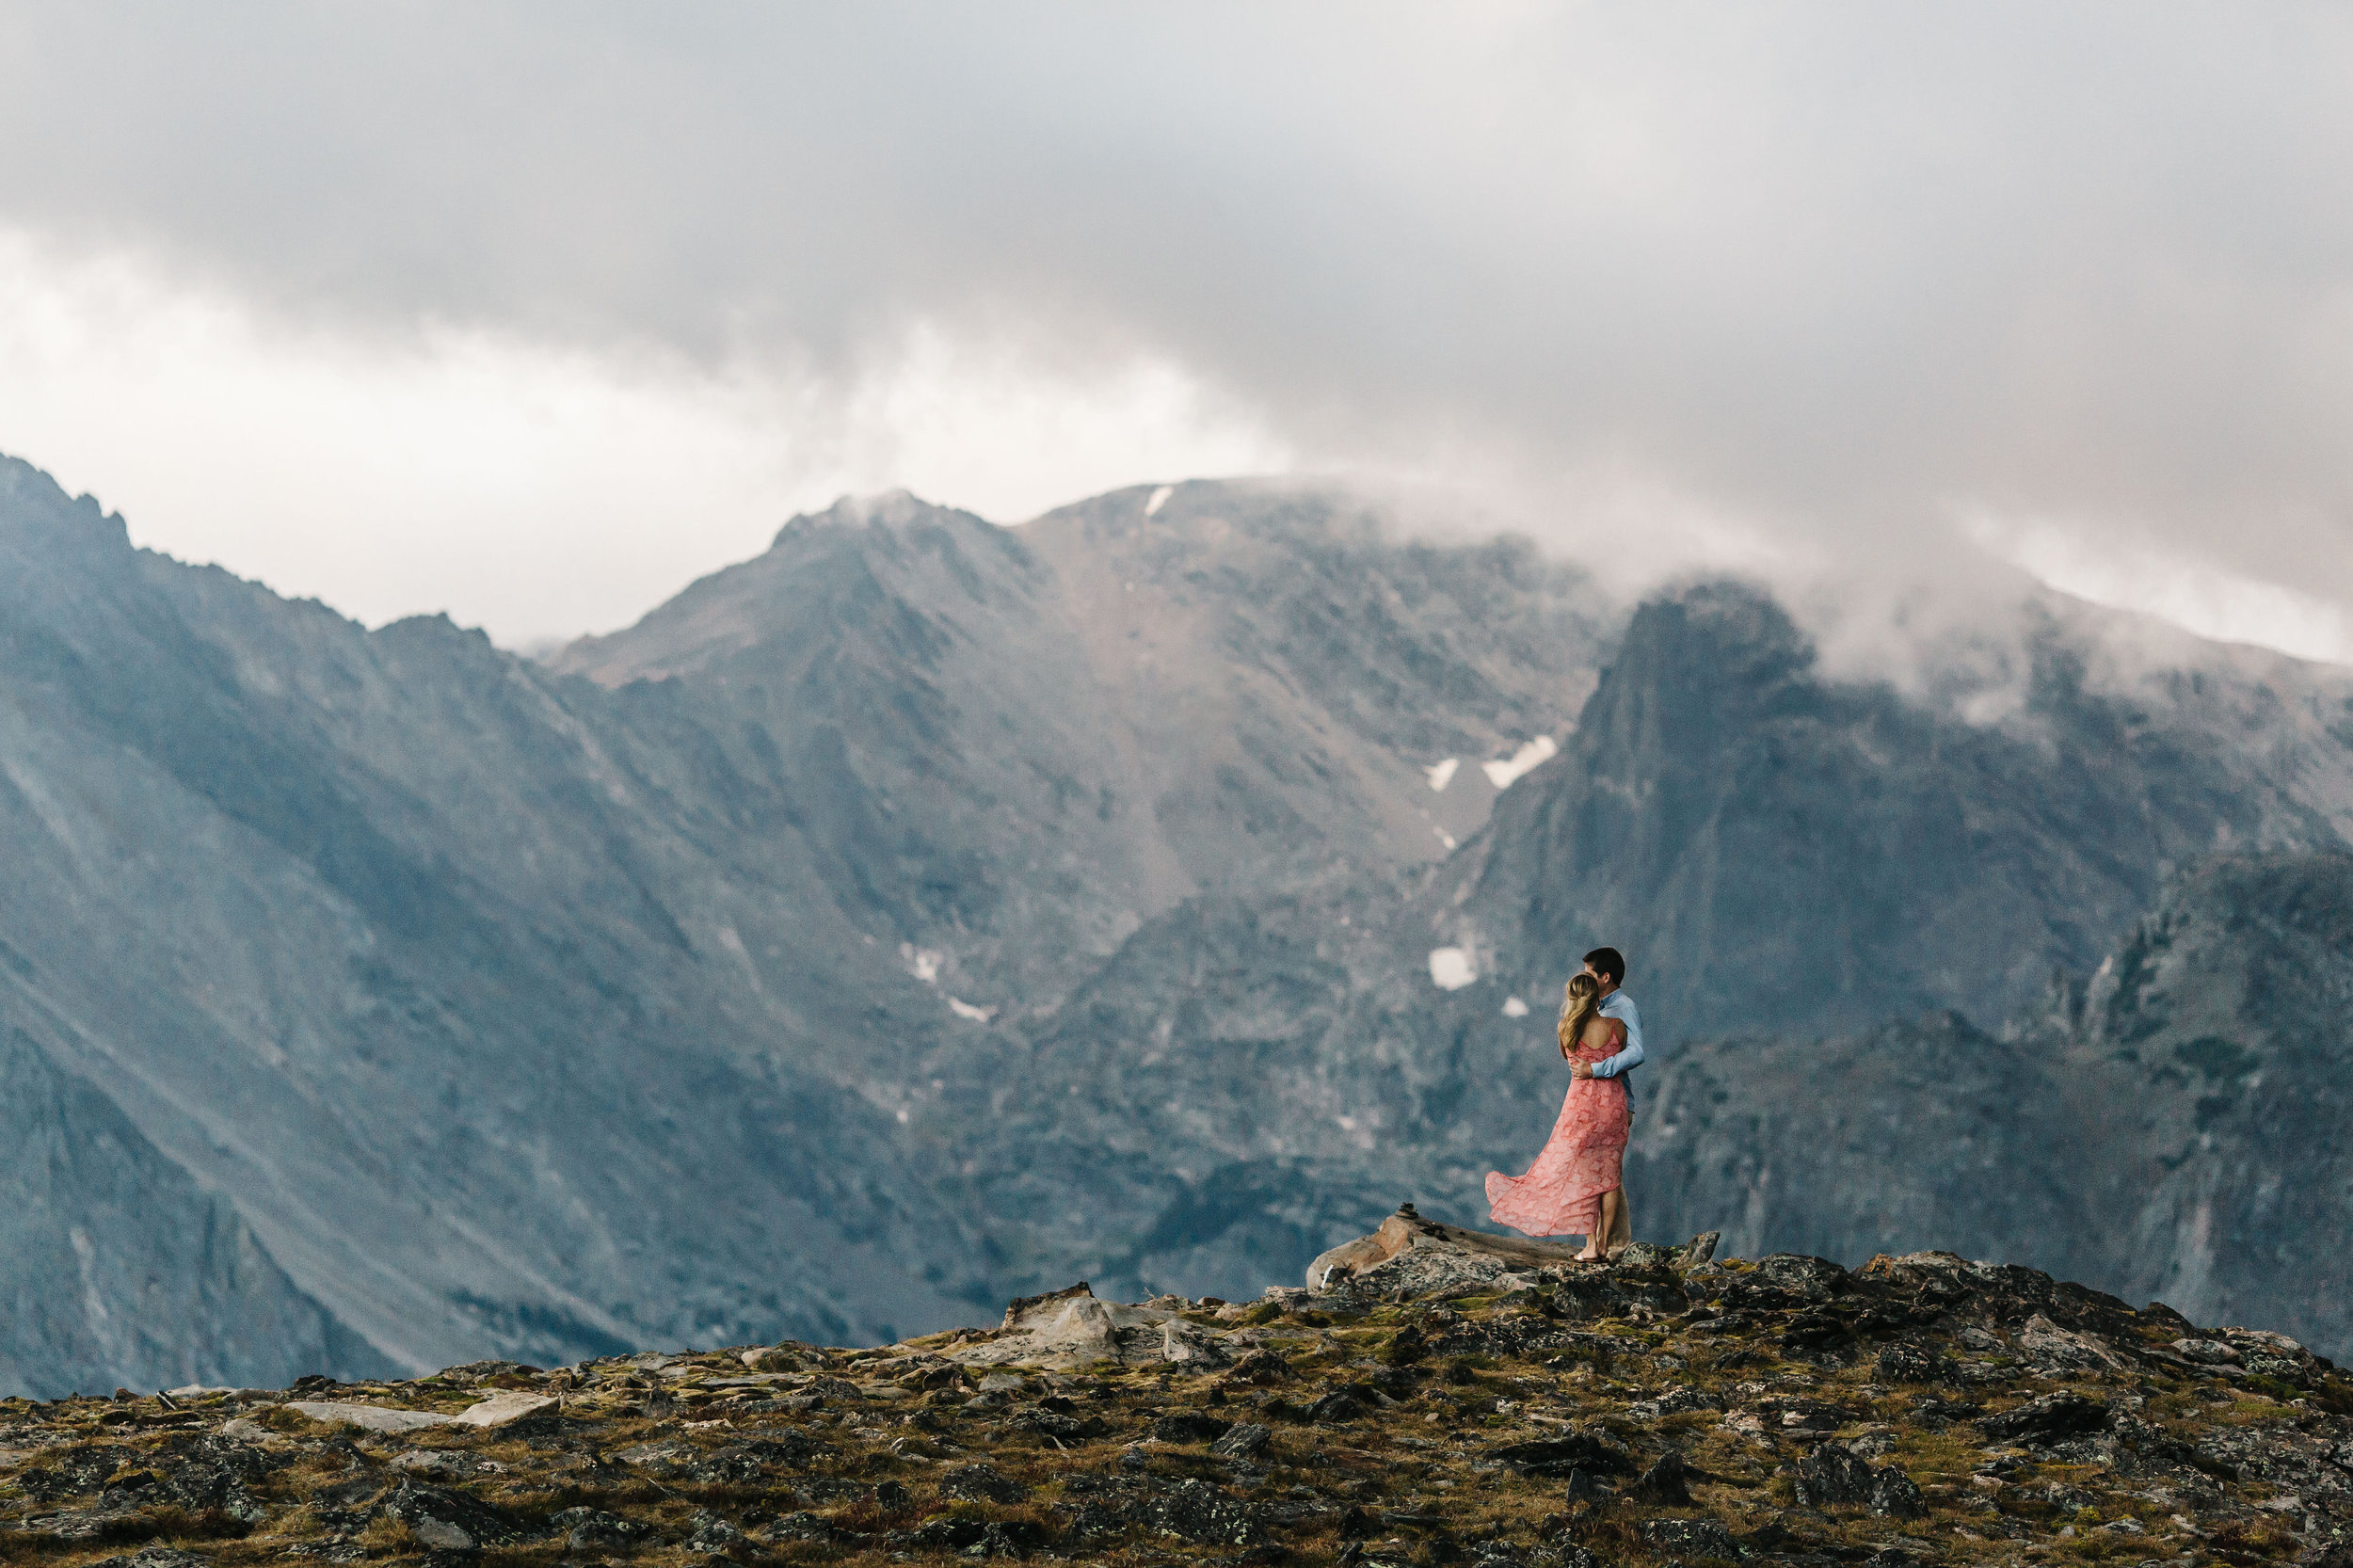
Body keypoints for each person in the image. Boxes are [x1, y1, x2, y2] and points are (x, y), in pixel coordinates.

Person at [1483, 970, 1630, 1260]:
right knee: (1610, 1179)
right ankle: (1604, 1247)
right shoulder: (1617, 1026)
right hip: (1614, 1107)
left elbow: (1567, 1057)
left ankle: (1590, 1246)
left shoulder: (1566, 1028)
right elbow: (1621, 1055)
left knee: (1585, 1178)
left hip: (1581, 1110)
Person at [1565, 946, 1641, 1254]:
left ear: (1605, 977)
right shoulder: (1601, 1011)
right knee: (1608, 1176)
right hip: (1599, 1105)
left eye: (1589, 974)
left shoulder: (1623, 1008)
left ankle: (1607, 1245)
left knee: (1605, 1176)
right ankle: (1608, 1245)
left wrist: (1594, 1068)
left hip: (1614, 1101)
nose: (1583, 979)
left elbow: (1637, 1052)